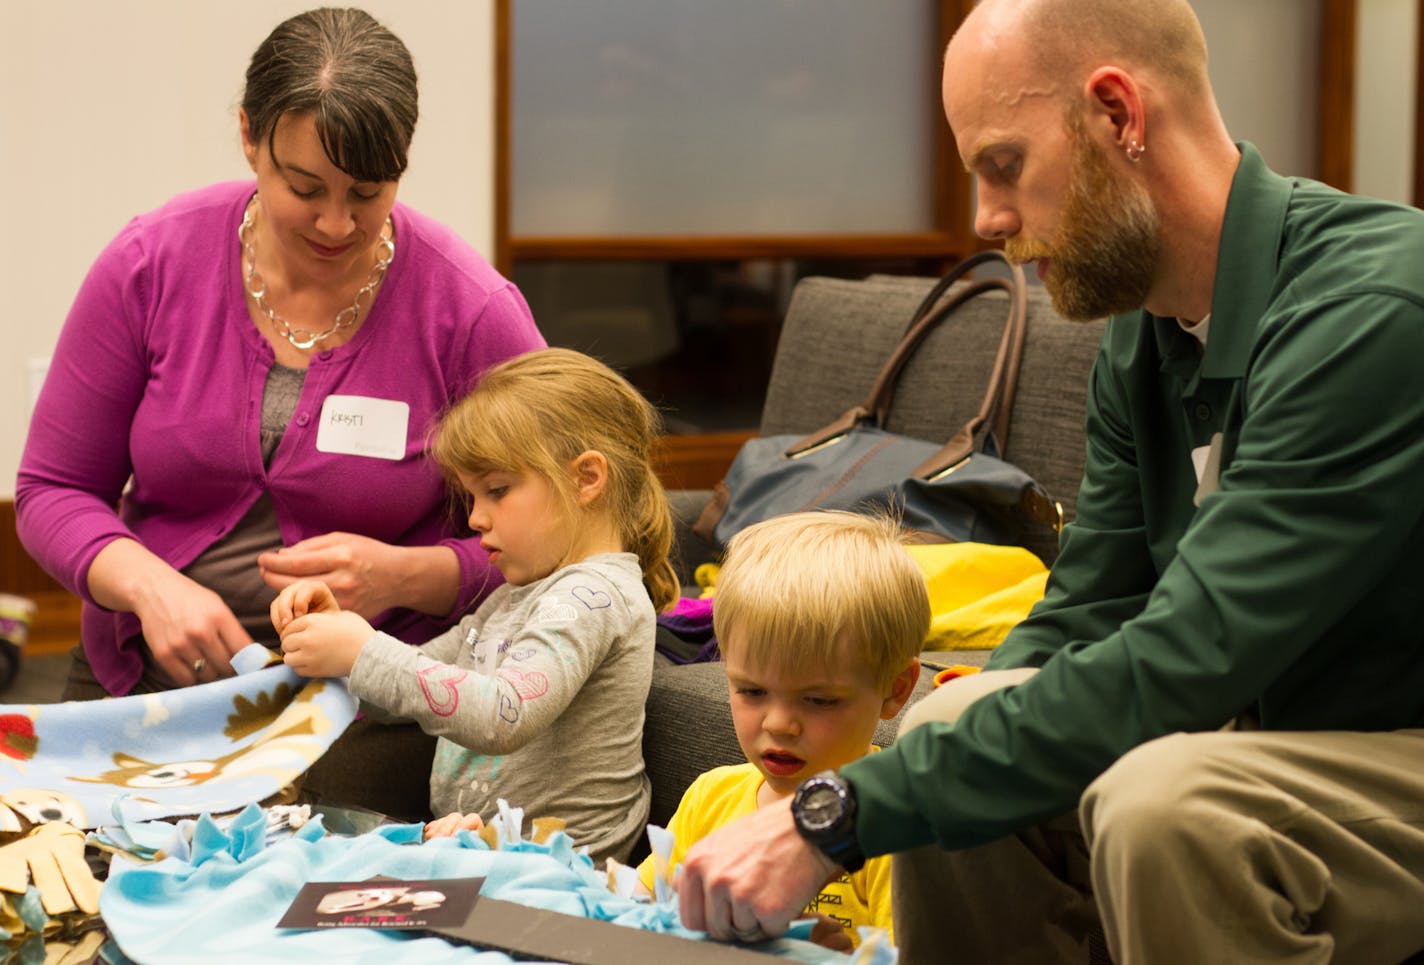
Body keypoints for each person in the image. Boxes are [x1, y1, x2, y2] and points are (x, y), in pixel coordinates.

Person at [675, 1, 1424, 962]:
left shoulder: (1370, 311)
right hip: (1273, 735)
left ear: (1119, 114)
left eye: (1003, 165)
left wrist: (841, 811)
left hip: (1389, 748)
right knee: (954, 719)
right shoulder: (1143, 340)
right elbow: (1086, 613)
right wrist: (926, 747)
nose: (987, 219)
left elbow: (1190, 654)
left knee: (1168, 808)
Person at [13, 7, 545, 819]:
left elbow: (572, 535)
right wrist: (151, 587)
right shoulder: (152, 262)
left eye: (369, 193)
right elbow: (52, 489)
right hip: (144, 683)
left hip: (366, 709)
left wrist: (412, 574)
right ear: (250, 139)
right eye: (306, 189)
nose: (338, 224)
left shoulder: (469, 311)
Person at [271, 347, 679, 865]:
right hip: (479, 853)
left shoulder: (591, 597)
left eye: (497, 490)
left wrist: (363, 652)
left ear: (586, 478)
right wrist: (336, 639)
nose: (476, 520)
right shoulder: (514, 598)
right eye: (470, 497)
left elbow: (501, 715)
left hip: (564, 873)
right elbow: (401, 693)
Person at [637, 511, 926, 951]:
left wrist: (844, 955)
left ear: (896, 688)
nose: (778, 724)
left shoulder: (895, 834)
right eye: (752, 691)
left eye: (819, 700)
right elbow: (638, 911)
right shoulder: (709, 798)